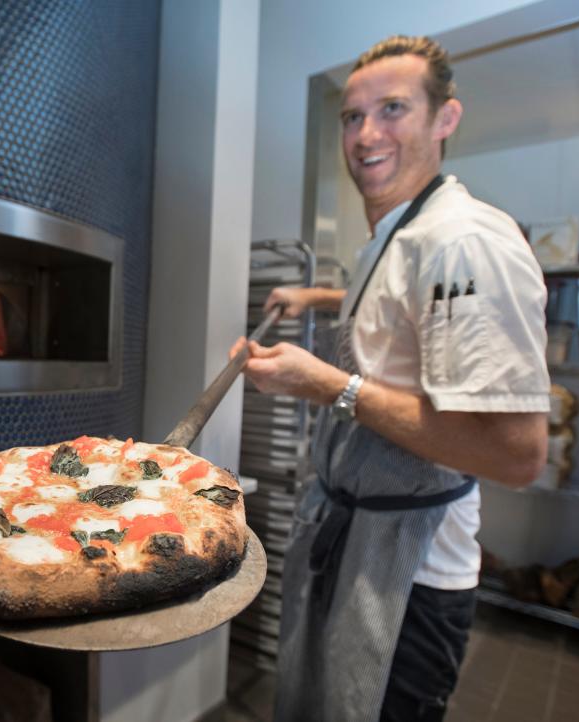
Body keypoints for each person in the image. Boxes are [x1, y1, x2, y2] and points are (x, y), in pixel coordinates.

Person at [232, 35, 549, 722]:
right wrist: (314, 298)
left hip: (414, 575)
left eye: (394, 109)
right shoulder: (398, 233)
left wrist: (328, 386)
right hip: (353, 543)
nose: (367, 134)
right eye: (353, 116)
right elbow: (390, 305)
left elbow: (516, 455)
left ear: (445, 119)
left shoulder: (465, 242)